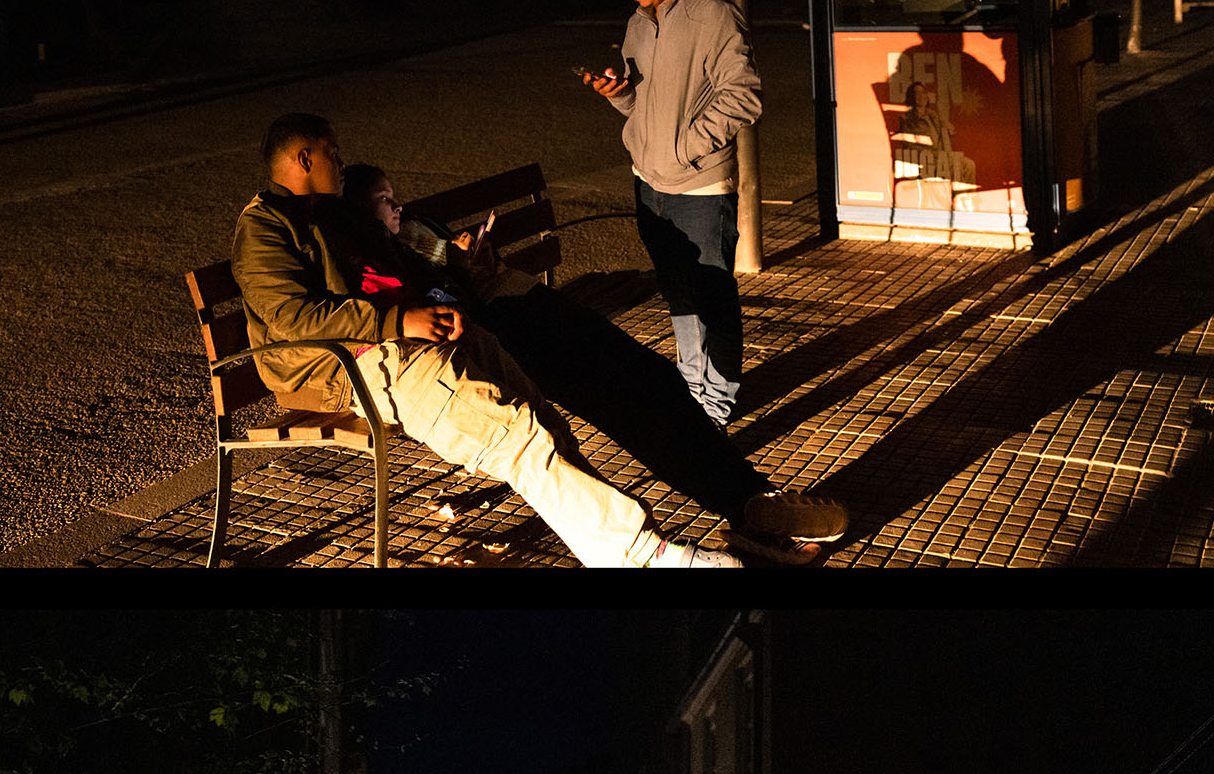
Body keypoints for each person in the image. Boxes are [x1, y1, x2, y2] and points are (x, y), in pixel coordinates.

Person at [232, 114, 737, 568]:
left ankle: (623, 548)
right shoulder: (265, 227)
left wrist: (444, 276)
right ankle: (640, 555)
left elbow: (396, 262)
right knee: (513, 435)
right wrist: (402, 321)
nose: (340, 162)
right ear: (303, 159)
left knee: (539, 415)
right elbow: (294, 319)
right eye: (332, 152)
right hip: (348, 364)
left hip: (397, 337)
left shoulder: (332, 212)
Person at [344, 162, 845, 564]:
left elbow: (448, 273)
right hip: (490, 332)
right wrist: (454, 275)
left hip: (515, 306)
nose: (399, 207)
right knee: (621, 395)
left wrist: (463, 259)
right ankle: (743, 507)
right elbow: (413, 307)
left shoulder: (409, 232)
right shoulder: (365, 251)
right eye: (384, 202)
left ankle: (752, 500)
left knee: (649, 376)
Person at [582, 0, 760, 428]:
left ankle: (716, 406)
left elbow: (743, 94)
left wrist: (687, 145)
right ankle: (692, 390)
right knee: (679, 295)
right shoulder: (639, 22)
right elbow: (644, 103)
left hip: (700, 187)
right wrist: (619, 94)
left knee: (712, 297)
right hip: (649, 181)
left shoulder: (715, 15)